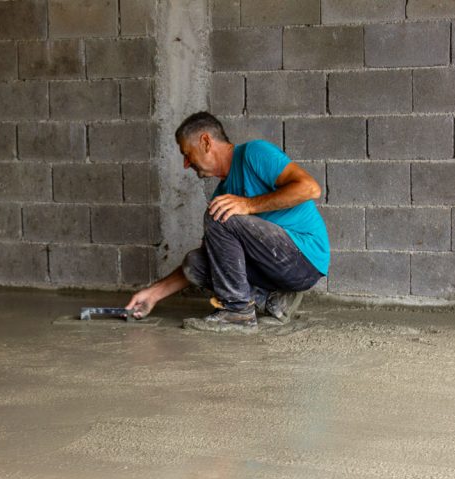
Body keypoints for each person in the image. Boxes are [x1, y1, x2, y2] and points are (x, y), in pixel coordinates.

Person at [125, 112, 330, 331]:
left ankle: (237, 313)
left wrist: (248, 205)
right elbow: (215, 259)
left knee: (219, 214)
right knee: (196, 263)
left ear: (205, 142)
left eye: (187, 153)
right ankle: (273, 299)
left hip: (303, 259)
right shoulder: (222, 194)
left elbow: (310, 188)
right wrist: (153, 294)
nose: (186, 164)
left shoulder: (254, 153)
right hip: (273, 266)